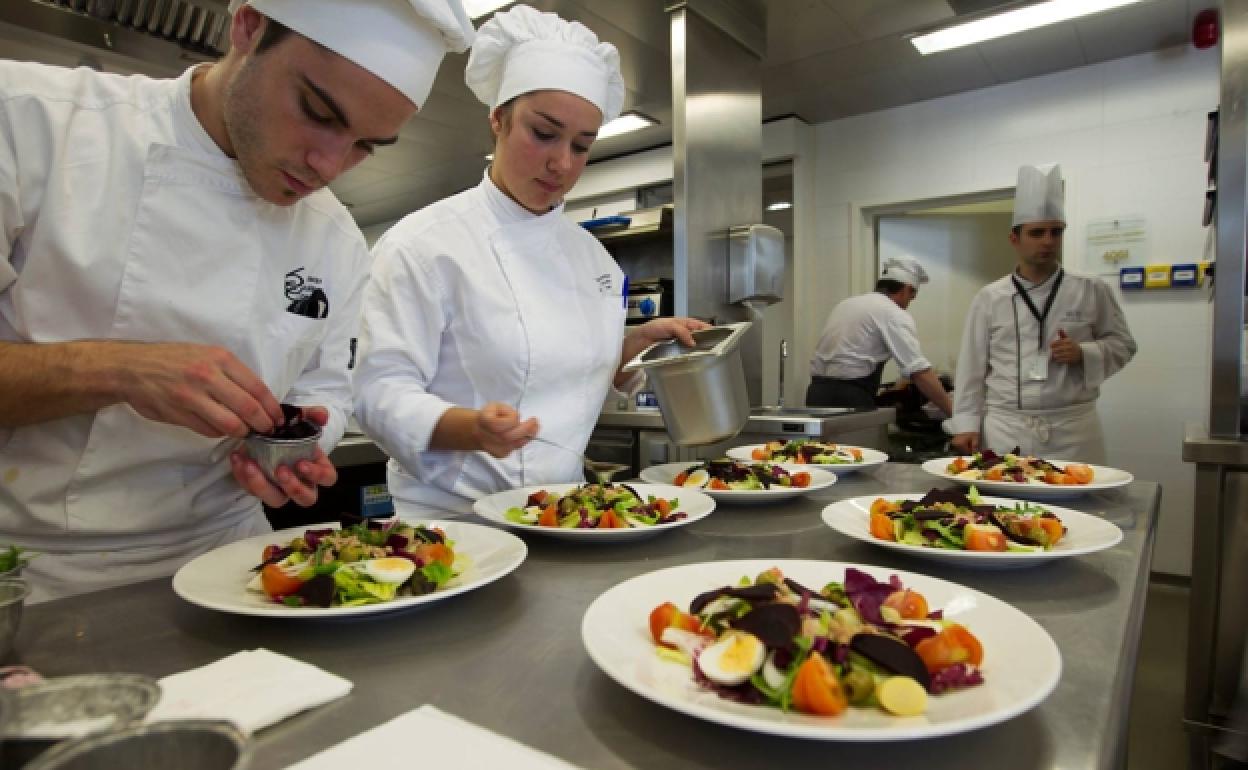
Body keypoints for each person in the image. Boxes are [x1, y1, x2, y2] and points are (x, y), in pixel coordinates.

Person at [0, 0, 474, 601]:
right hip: (25, 572)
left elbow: (323, 388)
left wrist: (294, 455)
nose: (329, 165)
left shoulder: (335, 238)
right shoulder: (30, 122)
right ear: (247, 27)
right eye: (317, 112)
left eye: (366, 146)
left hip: (230, 565)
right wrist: (116, 367)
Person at [353, 4, 706, 516]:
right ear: (497, 118)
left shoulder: (596, 260)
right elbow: (377, 391)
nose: (562, 163)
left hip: (559, 514)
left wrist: (628, 349)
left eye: (582, 146)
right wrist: (467, 428)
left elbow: (561, 375)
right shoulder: (425, 243)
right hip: (453, 522)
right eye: (543, 133)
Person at [946, 164, 1137, 463]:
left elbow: (1124, 345)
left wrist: (1084, 353)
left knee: (1079, 503)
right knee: (1005, 506)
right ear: (1015, 239)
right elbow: (971, 368)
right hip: (1006, 428)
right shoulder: (990, 298)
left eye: (1055, 232)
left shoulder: (1091, 288)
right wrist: (966, 424)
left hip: (1074, 428)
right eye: (1037, 233)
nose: (1048, 241)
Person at [807, 256, 953, 417]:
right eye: (911, 298)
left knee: (820, 443)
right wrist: (953, 413)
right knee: (855, 443)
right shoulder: (892, 313)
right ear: (907, 289)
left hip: (816, 394)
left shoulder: (846, 304)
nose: (908, 304)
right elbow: (920, 372)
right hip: (850, 398)